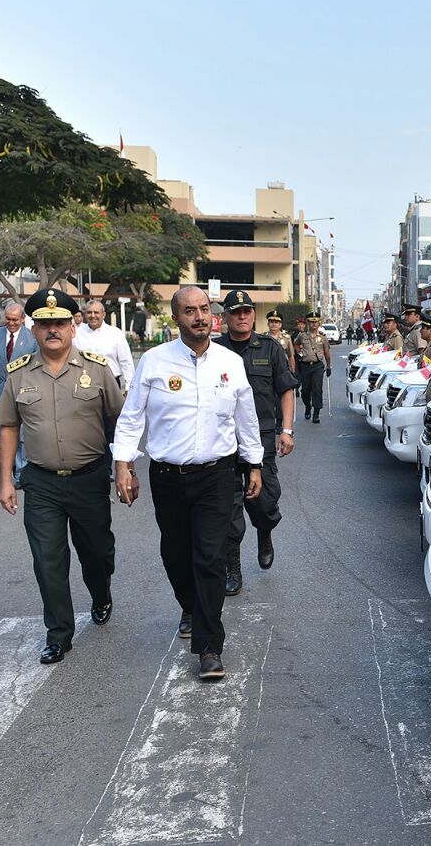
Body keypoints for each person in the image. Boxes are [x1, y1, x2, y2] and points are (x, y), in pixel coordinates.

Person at [112, 286, 264, 682]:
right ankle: (190, 606)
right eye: (189, 311)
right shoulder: (155, 362)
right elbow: (132, 417)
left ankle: (210, 646)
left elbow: (245, 419)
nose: (199, 317)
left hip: (217, 474)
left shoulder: (230, 363)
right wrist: (123, 464)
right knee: (175, 556)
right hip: (167, 476)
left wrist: (254, 464)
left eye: (204, 310)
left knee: (210, 558)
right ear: (176, 318)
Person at [0, 290, 122, 665]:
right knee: (47, 560)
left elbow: (119, 421)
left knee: (97, 553)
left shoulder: (97, 369)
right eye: (45, 324)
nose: (53, 330)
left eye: (60, 323)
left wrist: (123, 468)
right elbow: (7, 427)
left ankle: (100, 594)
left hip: (89, 478)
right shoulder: (19, 374)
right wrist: (6, 479)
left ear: (73, 326)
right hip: (41, 482)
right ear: (34, 330)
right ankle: (59, 634)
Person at [215, 291, 297, 594]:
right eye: (235, 312)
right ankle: (232, 567)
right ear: (225, 317)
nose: (242, 316)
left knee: (263, 501)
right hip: (223, 439)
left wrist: (286, 430)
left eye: (247, 311)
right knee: (229, 506)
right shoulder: (214, 350)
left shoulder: (270, 348)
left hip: (261, 438)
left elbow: (286, 390)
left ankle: (264, 531)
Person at [0, 303, 37, 485]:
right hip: (1, 392)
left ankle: (21, 472)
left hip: (23, 392)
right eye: (8, 319)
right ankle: (12, 463)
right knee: (0, 431)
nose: (11, 322)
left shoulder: (32, 337)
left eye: (15, 319)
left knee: (21, 433)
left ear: (22, 319)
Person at [75, 300, 135, 390]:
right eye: (89, 312)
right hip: (84, 383)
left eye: (96, 312)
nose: (92, 316)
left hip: (111, 384)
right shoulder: (76, 334)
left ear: (103, 314)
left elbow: (126, 362)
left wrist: (129, 387)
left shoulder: (115, 334)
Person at [294, 312, 331, 423]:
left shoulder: (323, 338)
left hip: (317, 366)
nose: (314, 324)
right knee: (305, 391)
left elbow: (327, 353)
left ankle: (316, 413)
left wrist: (329, 367)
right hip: (305, 366)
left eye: (316, 322)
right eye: (311, 322)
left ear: (319, 323)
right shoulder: (302, 336)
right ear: (308, 323)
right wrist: (300, 353)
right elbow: (296, 344)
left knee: (317, 389)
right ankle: (308, 406)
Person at [266, 310, 296, 374]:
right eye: (271, 322)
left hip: (282, 370)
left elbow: (290, 356)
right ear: (268, 324)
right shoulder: (263, 338)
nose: (274, 324)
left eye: (276, 322)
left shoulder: (286, 338)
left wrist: (292, 372)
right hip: (267, 370)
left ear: (280, 325)